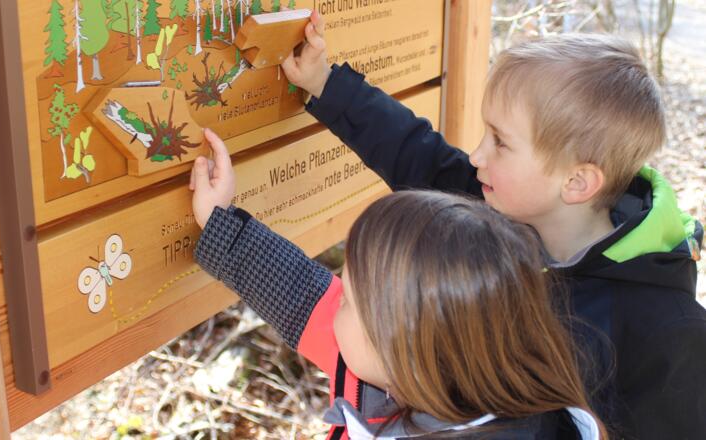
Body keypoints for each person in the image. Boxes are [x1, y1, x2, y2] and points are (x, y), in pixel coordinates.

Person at [281, 11, 706, 439]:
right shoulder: (499, 207)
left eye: (500, 142)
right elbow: (415, 151)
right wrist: (326, 84)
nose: (477, 156)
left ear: (576, 181)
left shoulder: (665, 331)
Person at [188, 128, 606, 439]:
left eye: (350, 300)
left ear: (400, 344)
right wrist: (220, 221)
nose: (335, 303)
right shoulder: (429, 360)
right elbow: (301, 294)